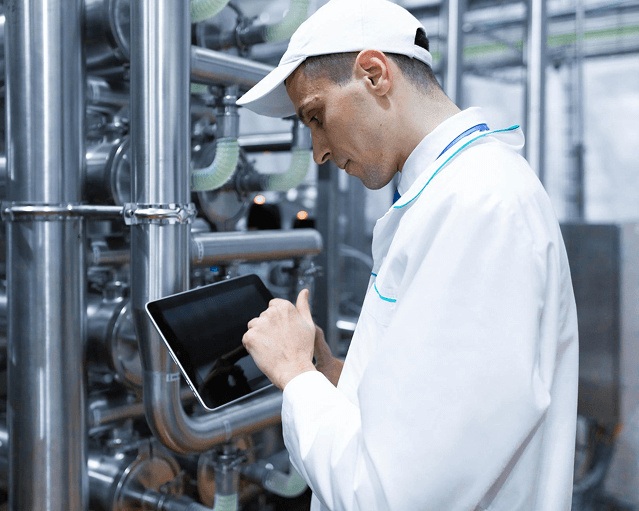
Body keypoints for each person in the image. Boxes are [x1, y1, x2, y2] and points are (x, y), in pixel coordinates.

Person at [236, 0, 579, 510]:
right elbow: (433, 415)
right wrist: (341, 380)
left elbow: (390, 496)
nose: (319, 153)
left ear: (374, 74)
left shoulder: (477, 207)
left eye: (316, 116)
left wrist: (295, 375)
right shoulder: (453, 195)